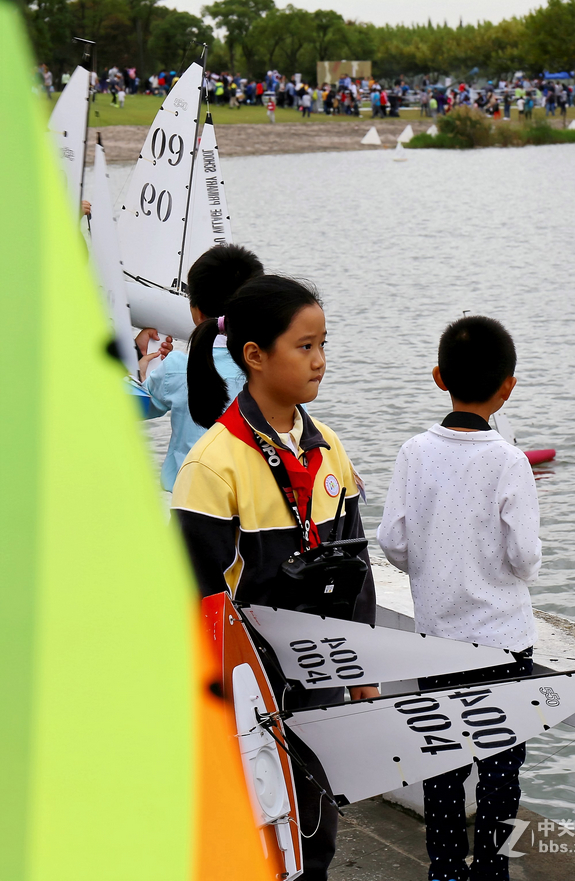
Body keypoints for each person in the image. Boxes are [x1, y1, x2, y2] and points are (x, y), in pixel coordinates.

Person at [172, 274, 377, 881]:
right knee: (255, 836)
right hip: (247, 690)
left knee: (314, 829)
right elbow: (195, 594)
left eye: (322, 344)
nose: (319, 361)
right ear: (255, 357)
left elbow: (355, 563)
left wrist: (360, 665)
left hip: (319, 674)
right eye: (304, 346)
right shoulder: (214, 463)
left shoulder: (328, 449)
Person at [377, 315, 541, 881]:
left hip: (435, 644)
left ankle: (445, 869)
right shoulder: (509, 461)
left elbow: (394, 542)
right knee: (500, 767)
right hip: (501, 645)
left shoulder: (413, 452)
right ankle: (490, 868)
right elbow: (524, 559)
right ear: (508, 385)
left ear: (438, 376)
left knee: (441, 763)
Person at [138, 244, 263, 491]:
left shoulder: (176, 368)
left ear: (195, 311)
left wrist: (140, 367)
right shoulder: (272, 370)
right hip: (255, 510)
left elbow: (133, 407)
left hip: (189, 507)